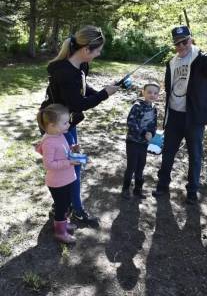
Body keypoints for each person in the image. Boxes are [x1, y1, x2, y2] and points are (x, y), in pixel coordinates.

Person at [40, 25, 119, 227]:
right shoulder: (66, 72)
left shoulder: (80, 67)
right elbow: (77, 103)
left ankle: (63, 205)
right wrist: (104, 95)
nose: (99, 54)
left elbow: (82, 89)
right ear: (86, 50)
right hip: (57, 127)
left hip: (67, 123)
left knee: (75, 162)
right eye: (98, 50)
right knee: (74, 164)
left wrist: (101, 91)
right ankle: (75, 210)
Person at [152, 25, 207, 204]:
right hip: (174, 115)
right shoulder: (171, 63)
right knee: (168, 152)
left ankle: (192, 191)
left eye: (184, 41)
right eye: (177, 43)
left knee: (195, 155)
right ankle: (162, 185)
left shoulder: (201, 58)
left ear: (191, 39)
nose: (181, 46)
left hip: (194, 118)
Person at [36, 104, 81, 244]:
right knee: (61, 206)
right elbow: (49, 164)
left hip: (66, 178)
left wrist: (72, 149)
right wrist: (69, 163)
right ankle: (60, 232)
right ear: (52, 125)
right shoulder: (49, 142)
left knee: (66, 203)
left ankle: (62, 223)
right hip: (57, 182)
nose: (69, 124)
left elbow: (62, 151)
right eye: (65, 122)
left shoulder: (59, 134)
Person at [122, 82, 160, 199]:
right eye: (149, 92)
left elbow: (153, 125)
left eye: (155, 93)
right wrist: (144, 133)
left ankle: (138, 190)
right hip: (133, 141)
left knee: (141, 166)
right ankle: (125, 189)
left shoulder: (154, 109)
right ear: (143, 92)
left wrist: (151, 134)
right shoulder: (137, 106)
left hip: (144, 143)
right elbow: (131, 123)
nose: (152, 95)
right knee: (132, 166)